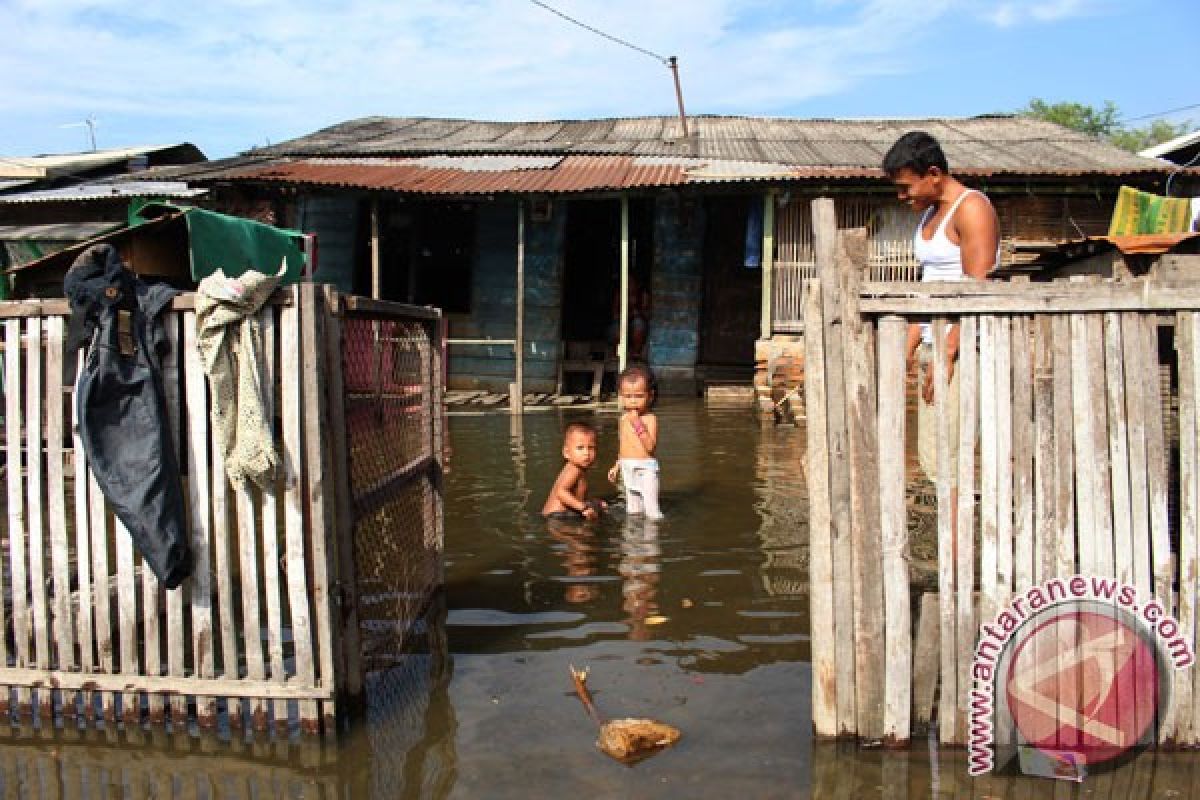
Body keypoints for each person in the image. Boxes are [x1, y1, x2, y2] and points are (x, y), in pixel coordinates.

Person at [882, 131, 999, 548]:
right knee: (934, 454)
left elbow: (977, 287)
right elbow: (928, 287)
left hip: (964, 346)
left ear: (933, 174)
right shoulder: (928, 215)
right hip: (937, 344)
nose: (902, 196)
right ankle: (953, 547)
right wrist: (909, 348)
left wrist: (949, 351)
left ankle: (958, 555)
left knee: (951, 454)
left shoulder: (972, 209)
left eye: (905, 186)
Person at [607, 364, 663, 519]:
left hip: (645, 469)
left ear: (650, 396)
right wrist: (616, 466)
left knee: (652, 511)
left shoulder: (650, 419)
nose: (633, 402)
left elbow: (650, 447)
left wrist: (637, 424)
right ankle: (632, 541)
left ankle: (651, 540)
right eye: (628, 396)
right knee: (633, 510)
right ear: (621, 396)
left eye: (638, 396)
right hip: (627, 467)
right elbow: (623, 445)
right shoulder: (623, 419)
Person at [542, 421, 606, 520]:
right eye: (580, 448)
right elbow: (561, 492)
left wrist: (593, 502)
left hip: (561, 515)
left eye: (591, 448)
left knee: (598, 508)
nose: (586, 453)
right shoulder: (574, 469)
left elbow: (577, 494)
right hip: (558, 517)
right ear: (566, 453)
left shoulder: (579, 468)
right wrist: (583, 508)